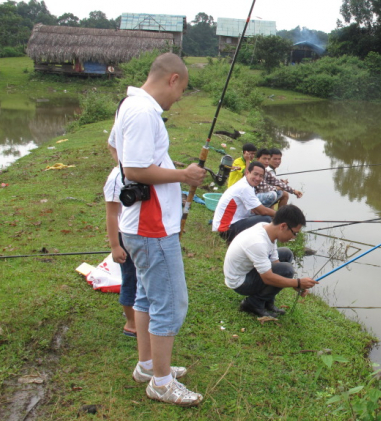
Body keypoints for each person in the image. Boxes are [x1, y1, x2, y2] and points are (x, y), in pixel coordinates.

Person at [108, 52, 206, 407]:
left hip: (141, 224)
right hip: (150, 228)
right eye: (181, 91)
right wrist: (182, 175)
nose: (178, 99)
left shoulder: (129, 105)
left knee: (148, 297)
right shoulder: (144, 110)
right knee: (171, 303)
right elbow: (133, 168)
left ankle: (147, 366)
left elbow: (116, 150)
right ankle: (161, 384)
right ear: (173, 79)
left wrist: (163, 170)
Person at [223, 205, 318, 317]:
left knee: (286, 254)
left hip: (248, 270)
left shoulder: (268, 229)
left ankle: (267, 301)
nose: (294, 237)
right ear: (283, 226)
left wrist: (295, 284)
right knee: (287, 270)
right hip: (240, 282)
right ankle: (253, 304)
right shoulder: (258, 242)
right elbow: (268, 277)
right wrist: (297, 282)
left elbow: (275, 263)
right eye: (294, 233)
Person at [103, 166, 138, 338]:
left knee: (141, 278)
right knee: (130, 277)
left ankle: (140, 314)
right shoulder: (117, 177)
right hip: (125, 234)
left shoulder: (137, 170)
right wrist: (115, 246)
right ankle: (131, 324)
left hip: (139, 233)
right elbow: (111, 214)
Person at [212, 162, 275, 245]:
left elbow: (256, 210)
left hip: (230, 225)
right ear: (247, 173)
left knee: (264, 218)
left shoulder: (247, 184)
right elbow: (263, 211)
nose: (257, 178)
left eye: (261, 176)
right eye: (255, 174)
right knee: (266, 219)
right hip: (226, 229)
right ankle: (262, 246)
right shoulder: (245, 187)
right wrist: (282, 214)